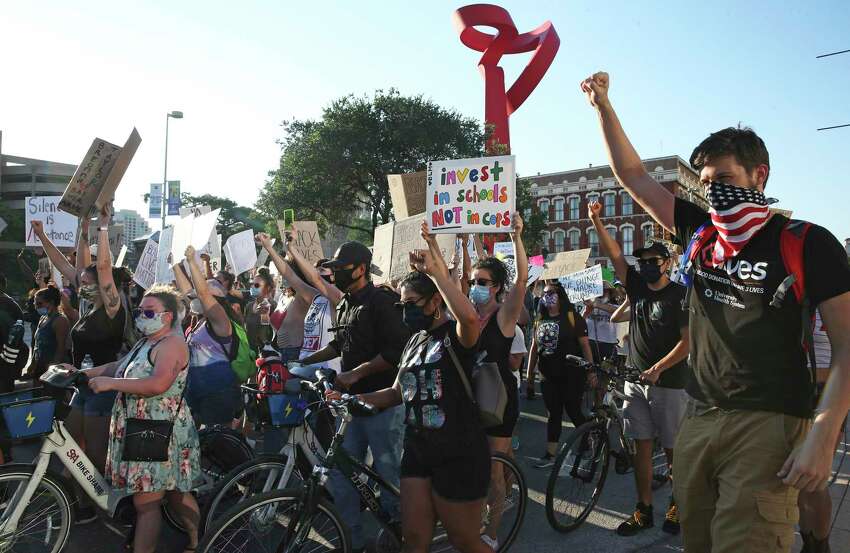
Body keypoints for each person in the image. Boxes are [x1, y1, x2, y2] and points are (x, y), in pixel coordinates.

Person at [581, 71, 850, 552]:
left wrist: (824, 436)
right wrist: (603, 104)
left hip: (768, 420)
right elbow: (635, 176)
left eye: (725, 179)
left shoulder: (808, 243)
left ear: (759, 175)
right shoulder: (700, 234)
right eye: (707, 184)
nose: (715, 193)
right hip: (699, 416)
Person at [343, 235, 492, 553]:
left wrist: (438, 272)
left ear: (435, 302)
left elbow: (468, 317)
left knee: (464, 540)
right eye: (401, 305)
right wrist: (351, 399)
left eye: (411, 304)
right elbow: (397, 392)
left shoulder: (455, 337)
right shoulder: (414, 342)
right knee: (413, 540)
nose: (404, 311)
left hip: (458, 452)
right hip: (417, 450)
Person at [66, 285, 201, 553]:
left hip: (160, 430)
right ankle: (198, 536)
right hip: (140, 427)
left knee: (148, 502)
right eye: (140, 311)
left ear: (168, 316)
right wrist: (82, 374)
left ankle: (197, 540)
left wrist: (111, 384)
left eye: (148, 312)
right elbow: (117, 367)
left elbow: (157, 384)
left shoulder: (173, 344)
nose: (141, 316)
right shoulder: (145, 342)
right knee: (172, 491)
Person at [299, 240, 410, 553]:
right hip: (349, 406)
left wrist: (356, 374)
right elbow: (339, 346)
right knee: (341, 472)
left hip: (382, 403)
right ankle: (351, 540)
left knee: (389, 475)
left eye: (341, 269)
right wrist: (302, 362)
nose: (336, 275)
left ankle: (400, 535)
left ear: (361, 269)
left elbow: (394, 352)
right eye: (333, 270)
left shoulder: (382, 301)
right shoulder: (346, 302)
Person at [592, 200, 690, 536]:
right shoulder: (635, 287)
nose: (647, 266)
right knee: (641, 447)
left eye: (653, 261)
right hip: (636, 382)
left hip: (671, 383)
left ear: (667, 264)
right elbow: (616, 256)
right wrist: (596, 221)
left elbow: (688, 342)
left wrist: (660, 368)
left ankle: (678, 504)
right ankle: (643, 509)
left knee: (674, 450)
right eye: (643, 261)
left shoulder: (679, 295)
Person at [33, 210, 130, 523]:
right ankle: (77, 499)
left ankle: (104, 503)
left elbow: (101, 266)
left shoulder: (114, 309)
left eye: (88, 283)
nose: (81, 286)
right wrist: (44, 234)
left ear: (106, 285)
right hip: (80, 387)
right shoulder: (88, 308)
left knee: (94, 454)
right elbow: (65, 265)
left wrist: (102, 226)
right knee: (71, 446)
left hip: (103, 389)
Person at [467, 213, 527, 551]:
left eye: (483, 281)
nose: (476, 285)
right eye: (475, 280)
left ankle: (492, 531)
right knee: (479, 463)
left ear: (496, 288)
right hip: (471, 399)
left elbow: (521, 283)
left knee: (493, 468)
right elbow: (455, 280)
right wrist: (461, 243)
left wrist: (517, 237)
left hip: (499, 401)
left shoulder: (505, 317)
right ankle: (508, 479)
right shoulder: (469, 315)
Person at [526, 281, 595, 468]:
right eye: (545, 293)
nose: (547, 296)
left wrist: (590, 370)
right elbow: (534, 347)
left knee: (573, 411)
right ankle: (550, 455)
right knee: (553, 415)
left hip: (572, 375)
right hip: (547, 376)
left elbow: (585, 346)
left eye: (552, 293)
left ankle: (587, 438)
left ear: (561, 296)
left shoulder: (573, 318)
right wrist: (530, 373)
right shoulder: (539, 319)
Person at [174, 247, 242, 428]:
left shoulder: (221, 320)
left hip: (218, 391)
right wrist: (174, 264)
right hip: (195, 388)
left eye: (204, 290)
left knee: (217, 446)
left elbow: (202, 293)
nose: (197, 293)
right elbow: (190, 292)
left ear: (218, 296)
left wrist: (191, 261)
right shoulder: (200, 321)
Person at [256, 233, 340, 373]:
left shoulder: (339, 299)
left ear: (333, 276)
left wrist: (291, 250)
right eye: (315, 269)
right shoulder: (315, 297)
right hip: (302, 364)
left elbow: (314, 278)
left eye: (321, 270)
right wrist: (270, 248)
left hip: (325, 371)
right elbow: (289, 275)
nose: (315, 273)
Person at [798, 310, 836, 553]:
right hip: (785, 391)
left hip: (823, 393)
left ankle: (819, 547)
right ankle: (808, 542)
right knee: (797, 481)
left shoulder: (837, 286)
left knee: (812, 480)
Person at [27, 286, 70, 380]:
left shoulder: (60, 320)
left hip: (52, 368)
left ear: (51, 302)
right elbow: (37, 345)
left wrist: (53, 369)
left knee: (52, 394)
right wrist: (33, 363)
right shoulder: (43, 318)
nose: (36, 306)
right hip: (40, 366)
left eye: (39, 303)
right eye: (35, 303)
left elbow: (61, 348)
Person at [583, 282, 619, 363]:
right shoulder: (589, 306)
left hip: (607, 344)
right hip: (590, 342)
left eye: (604, 291)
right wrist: (586, 312)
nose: (601, 294)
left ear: (610, 294)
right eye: (599, 291)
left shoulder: (615, 306)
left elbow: (616, 311)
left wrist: (597, 304)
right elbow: (580, 322)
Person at [244, 267, 276, 350]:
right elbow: (246, 328)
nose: (252, 287)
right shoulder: (249, 306)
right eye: (252, 284)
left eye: (256, 285)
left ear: (268, 287)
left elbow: (266, 334)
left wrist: (264, 315)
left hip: (264, 353)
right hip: (250, 352)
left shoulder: (271, 305)